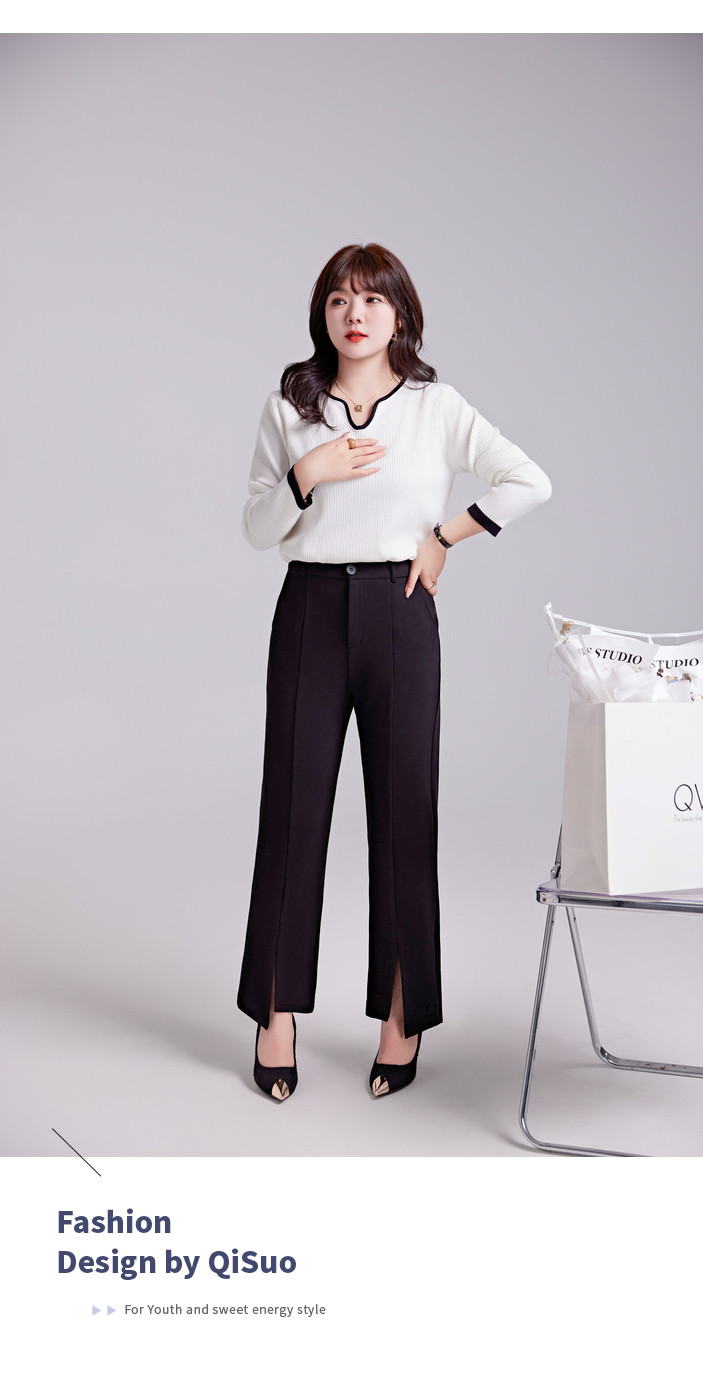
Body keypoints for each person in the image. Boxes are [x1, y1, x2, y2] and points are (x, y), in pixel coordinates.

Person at [237, 242, 551, 1102]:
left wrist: (446, 536)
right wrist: (308, 472)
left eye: (372, 299)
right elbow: (257, 528)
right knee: (291, 814)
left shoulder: (434, 407)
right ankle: (275, 1016)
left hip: (400, 610)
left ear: (400, 315)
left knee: (405, 816)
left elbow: (529, 480)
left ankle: (401, 1019)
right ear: (323, 314)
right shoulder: (290, 407)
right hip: (309, 612)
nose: (355, 313)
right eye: (340, 299)